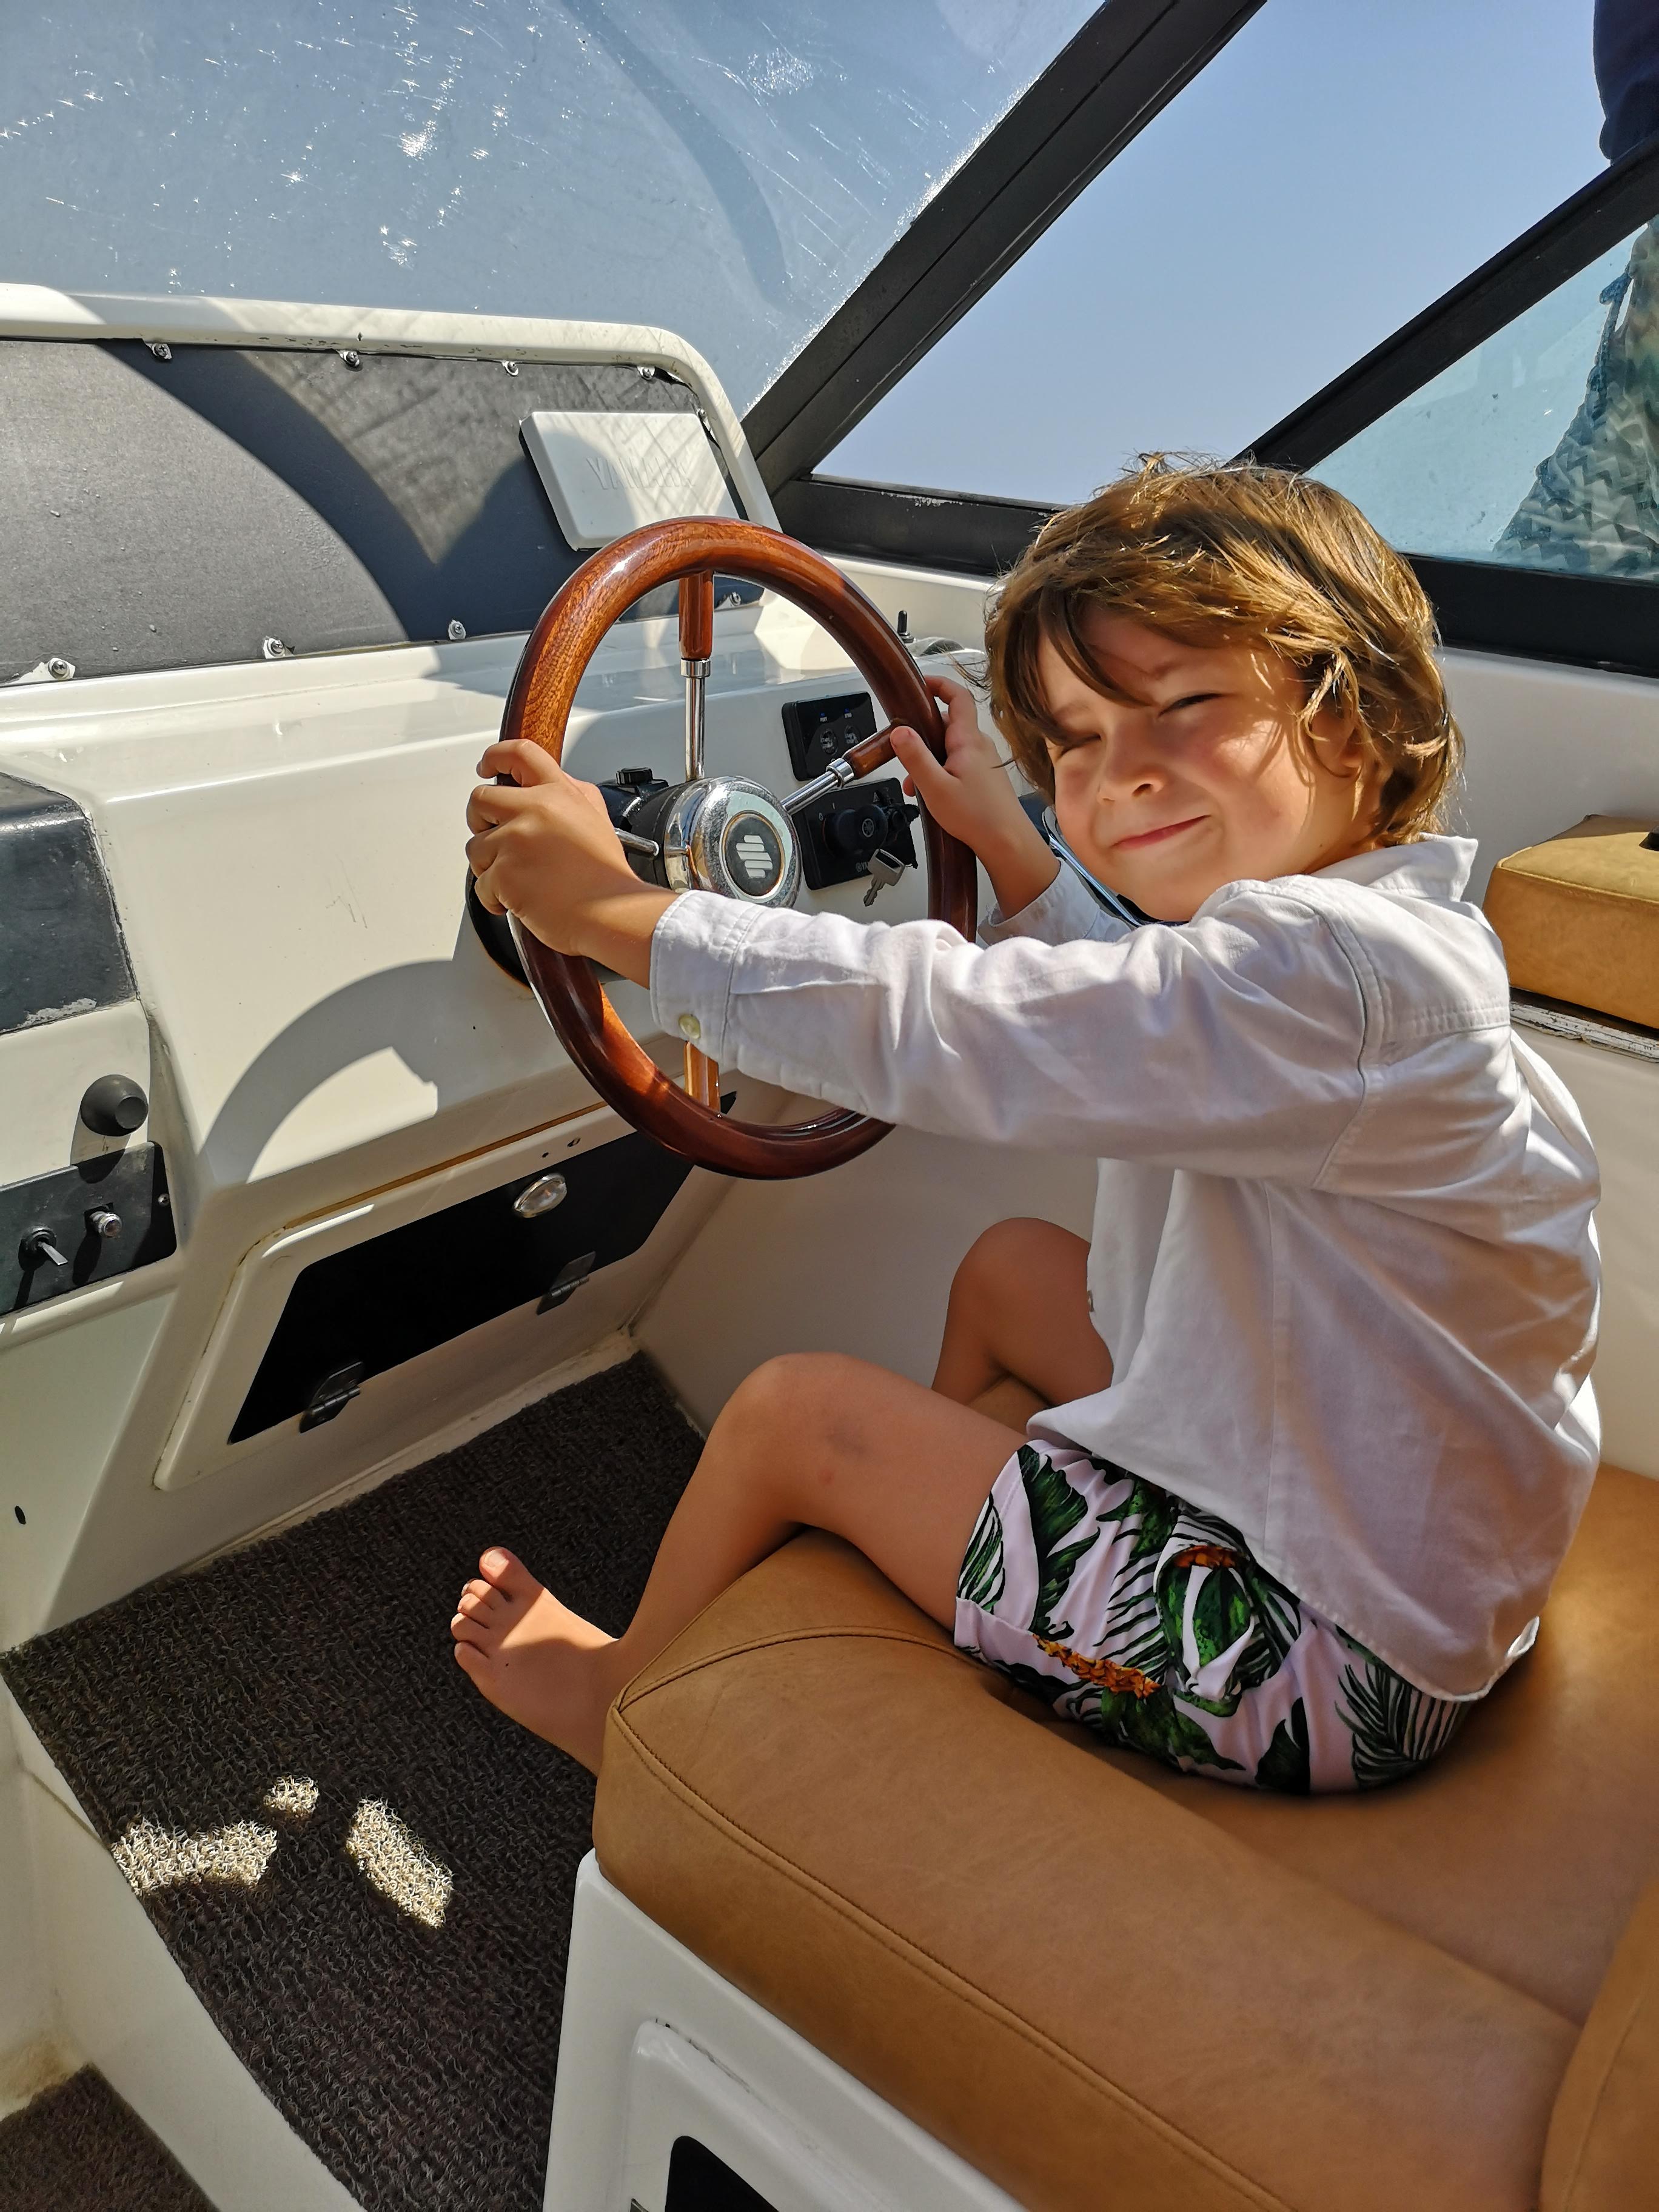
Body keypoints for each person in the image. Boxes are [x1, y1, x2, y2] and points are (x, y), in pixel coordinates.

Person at [454, 459, 1599, 1794]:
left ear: (1352, 720)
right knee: (1012, 1271)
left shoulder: (1340, 982)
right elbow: (1138, 1017)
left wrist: (620, 914)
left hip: (1312, 1662)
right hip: (1376, 1544)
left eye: (1182, 707)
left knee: (794, 1417)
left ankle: (616, 1706)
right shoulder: (1370, 953)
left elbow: (973, 1025)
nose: (1123, 777)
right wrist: (1009, 846)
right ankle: (966, 1559)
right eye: (1078, 742)